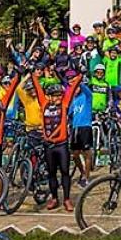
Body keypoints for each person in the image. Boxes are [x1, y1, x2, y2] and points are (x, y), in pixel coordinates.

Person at [32, 69, 84, 211]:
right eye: (55, 96)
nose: (59, 98)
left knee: (65, 172)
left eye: (60, 95)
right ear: (49, 96)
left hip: (61, 145)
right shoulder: (44, 104)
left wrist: (81, 74)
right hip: (48, 145)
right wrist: (32, 73)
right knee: (51, 173)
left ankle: (67, 199)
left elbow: (72, 88)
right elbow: (37, 87)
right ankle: (54, 198)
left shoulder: (65, 104)